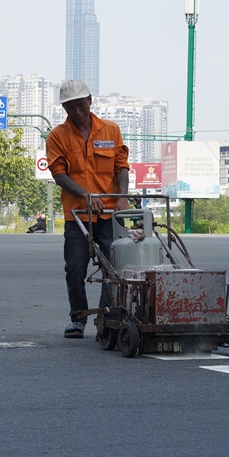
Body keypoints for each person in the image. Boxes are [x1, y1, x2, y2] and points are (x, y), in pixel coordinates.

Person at [45, 79, 130, 338]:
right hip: (78, 215)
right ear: (65, 108)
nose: (77, 112)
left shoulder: (110, 130)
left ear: (90, 101)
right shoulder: (57, 136)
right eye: (71, 108)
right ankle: (78, 318)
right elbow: (58, 173)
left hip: (109, 213)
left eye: (81, 105)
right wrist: (85, 194)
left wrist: (122, 198)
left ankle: (107, 316)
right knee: (75, 268)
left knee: (114, 267)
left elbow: (121, 165)